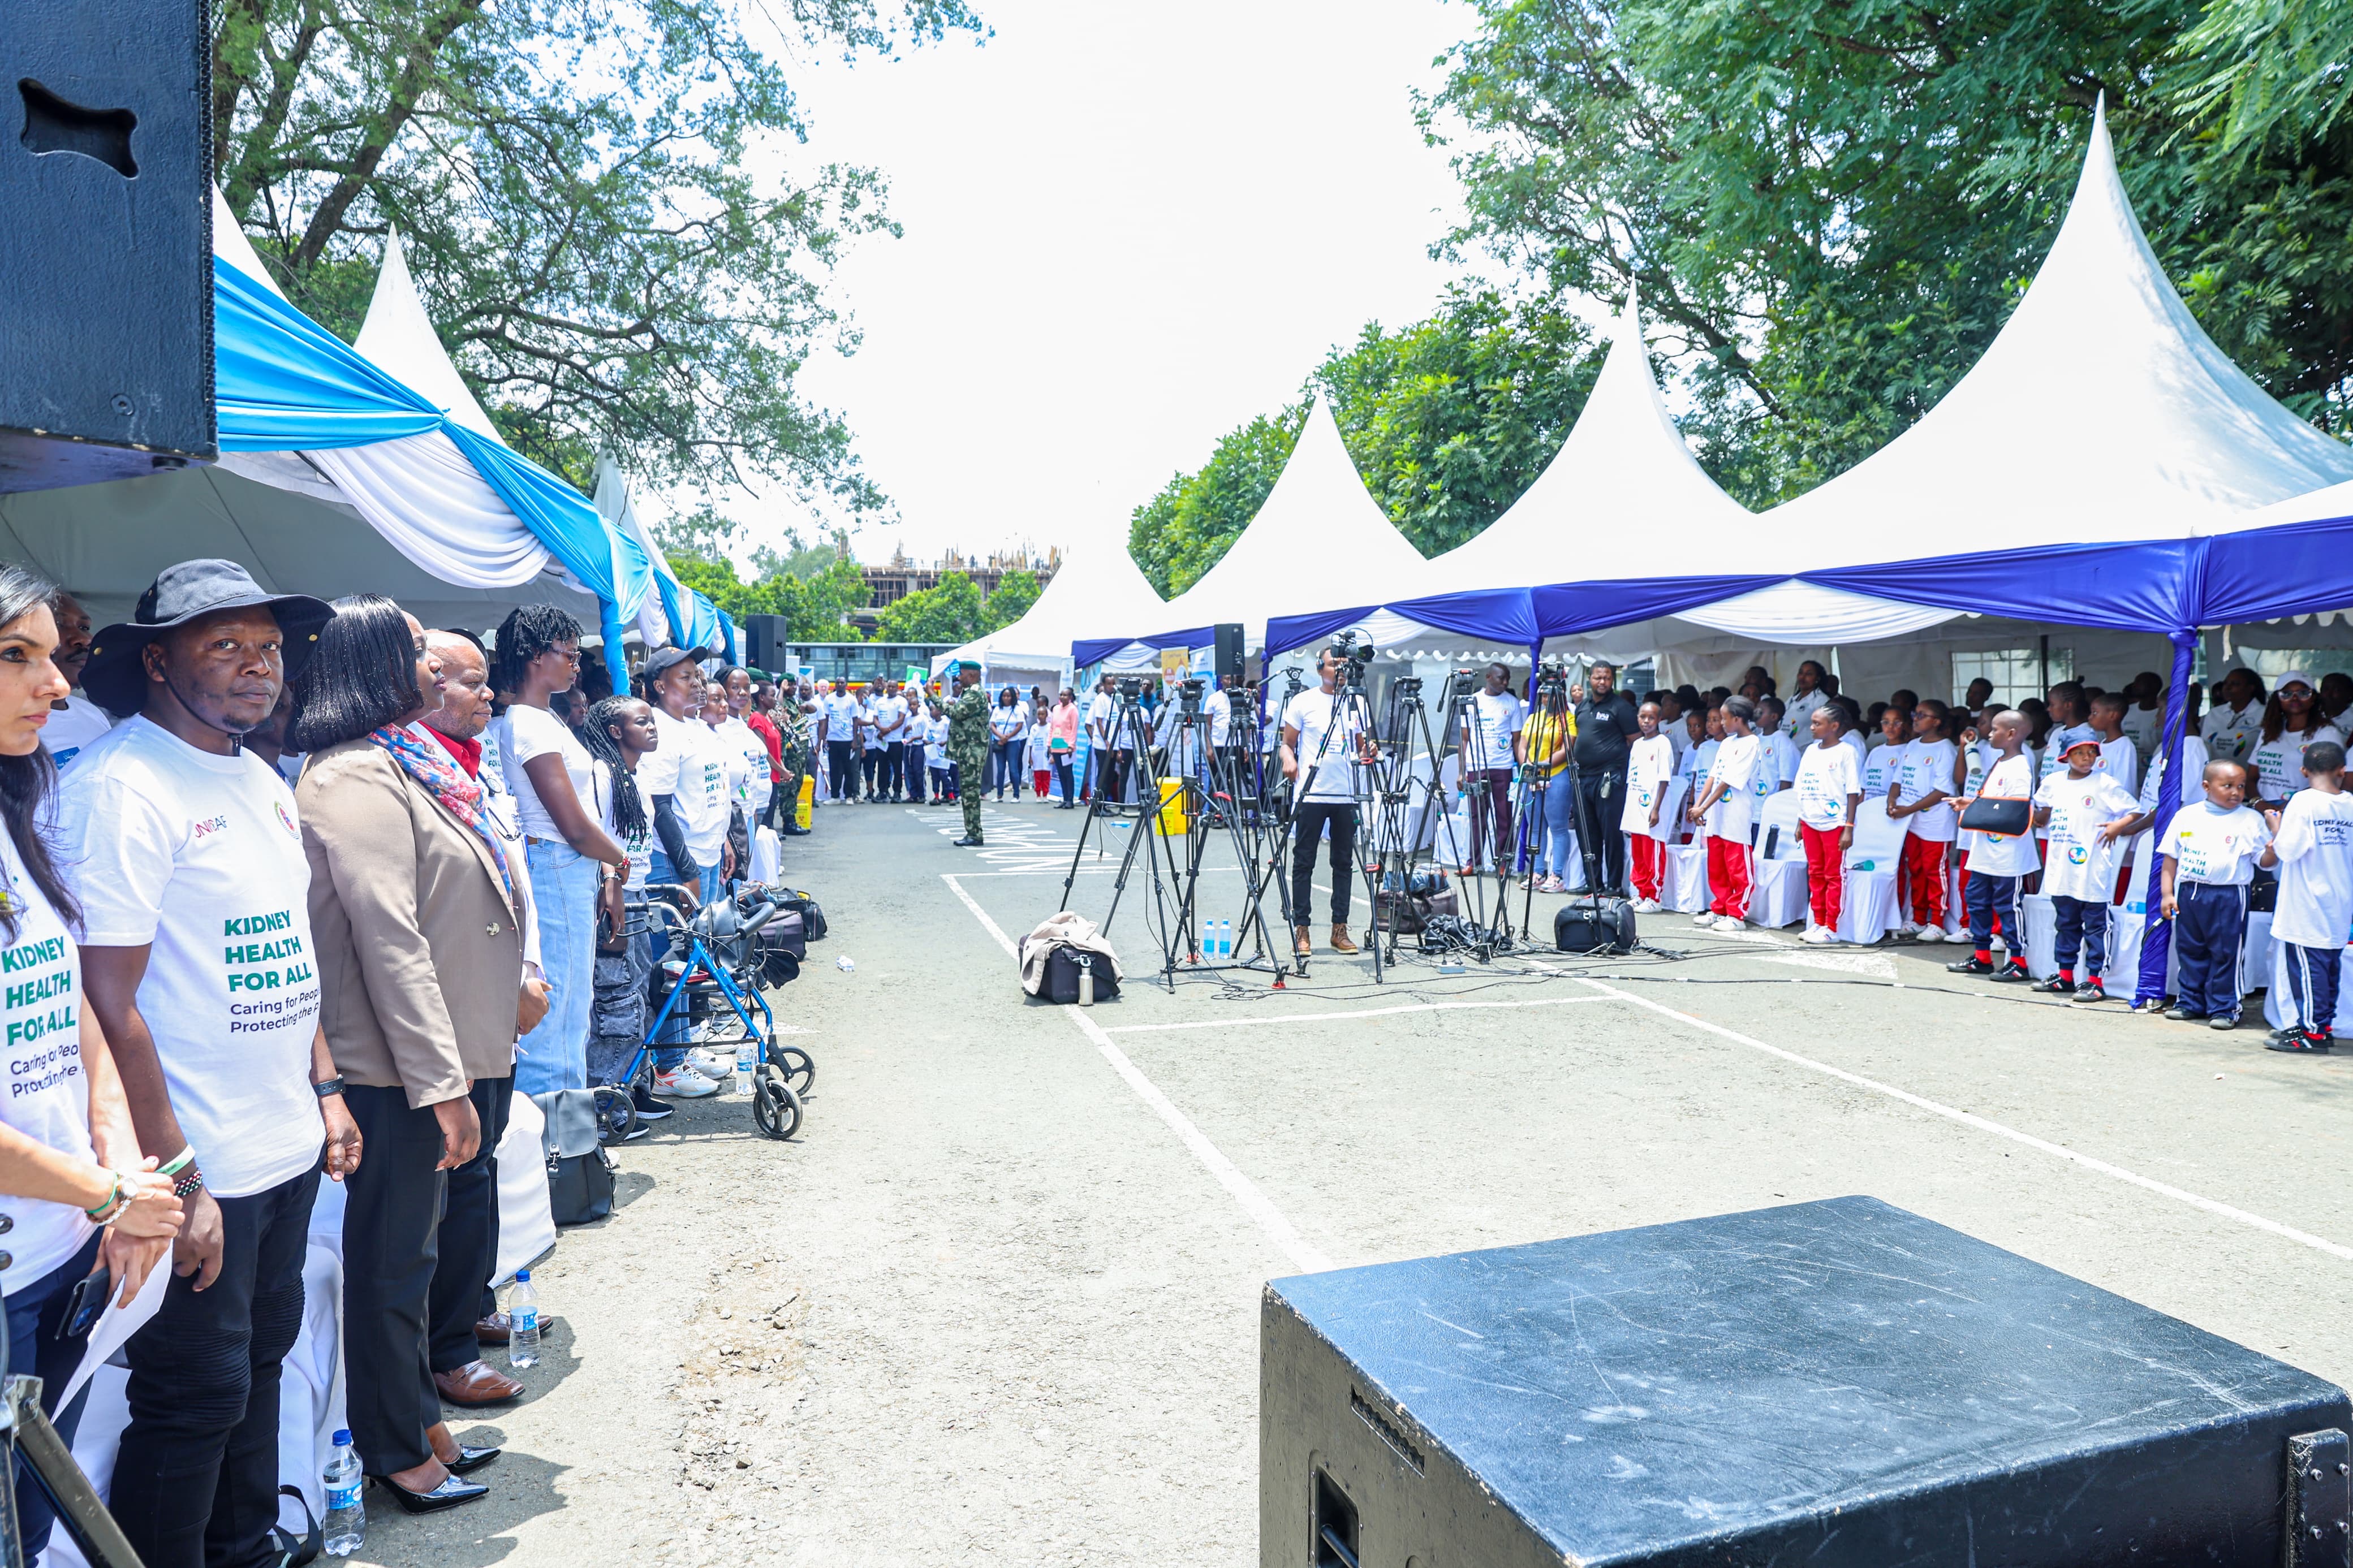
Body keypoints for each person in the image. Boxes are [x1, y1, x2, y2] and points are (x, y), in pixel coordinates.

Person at [60, 559, 361, 1568]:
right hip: (198, 1160)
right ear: (156, 662)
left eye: (268, 648)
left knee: (259, 1364)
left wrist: (324, 1088)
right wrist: (177, 1175)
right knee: (191, 1397)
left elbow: (288, 949)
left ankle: (246, 1547)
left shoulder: (258, 775)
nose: (257, 666)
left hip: (281, 1142)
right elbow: (106, 1003)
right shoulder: (122, 787)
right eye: (224, 645)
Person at [292, 595, 535, 1510]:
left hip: (420, 1059)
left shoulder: (397, 761)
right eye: (417, 653)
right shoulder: (354, 775)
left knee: (414, 1260)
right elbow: (390, 937)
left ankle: (418, 1419)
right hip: (389, 1067)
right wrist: (443, 1084)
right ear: (370, 665)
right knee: (393, 1264)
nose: (433, 667)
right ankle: (395, 1446)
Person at [0, 566, 182, 1563]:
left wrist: (120, 1173)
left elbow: (72, 1008)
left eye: (52, 656)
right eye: (15, 656)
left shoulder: (17, 811)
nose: (57, 684)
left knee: (32, 1526)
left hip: (65, 1249)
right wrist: (113, 1191)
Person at [488, 607, 627, 1097]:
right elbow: (572, 824)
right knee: (557, 1014)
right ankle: (552, 1133)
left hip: (565, 865)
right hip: (555, 862)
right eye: (567, 653)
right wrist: (619, 861)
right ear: (533, 656)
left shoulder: (545, 718)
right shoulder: (529, 723)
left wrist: (606, 868)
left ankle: (560, 1127)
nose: (575, 663)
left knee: (569, 1009)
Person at [632, 648, 731, 1098]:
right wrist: (686, 868)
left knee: (693, 957)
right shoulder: (660, 730)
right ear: (659, 686)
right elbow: (661, 806)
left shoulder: (694, 726)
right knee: (670, 964)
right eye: (686, 676)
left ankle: (685, 1047)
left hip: (705, 855)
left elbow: (713, 792)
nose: (697, 683)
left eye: (698, 675)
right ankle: (669, 1065)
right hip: (673, 861)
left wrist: (723, 840)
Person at [581, 694, 659, 1096]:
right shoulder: (602, 773)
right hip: (614, 900)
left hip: (639, 893)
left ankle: (635, 1088)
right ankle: (607, 1099)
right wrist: (611, 882)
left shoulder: (637, 774)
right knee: (616, 1001)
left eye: (652, 720)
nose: (652, 727)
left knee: (639, 992)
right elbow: (593, 833)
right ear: (615, 731)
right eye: (641, 721)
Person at [2159, 760, 2271, 1028]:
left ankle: (2224, 1008)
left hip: (2229, 894)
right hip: (2190, 892)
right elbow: (2171, 858)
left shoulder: (2251, 820)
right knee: (2190, 949)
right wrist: (2167, 894)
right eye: (2228, 786)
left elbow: (2265, 862)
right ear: (2207, 787)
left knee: (2226, 952)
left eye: (2241, 786)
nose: (2236, 792)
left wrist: (2272, 849)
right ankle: (2190, 1002)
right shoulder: (2187, 815)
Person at [2030, 735, 2138, 1003]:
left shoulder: (2105, 783)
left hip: (2092, 870)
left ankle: (2095, 981)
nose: (2087, 758)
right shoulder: (2054, 782)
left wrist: (2117, 826)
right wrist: (2038, 817)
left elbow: (2135, 810)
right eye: (2080, 753)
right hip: (2061, 868)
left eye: (2092, 752)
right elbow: (2042, 807)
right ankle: (2065, 975)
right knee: (2065, 924)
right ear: (2065, 757)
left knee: (2095, 927)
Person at [2262, 741, 2353, 1052]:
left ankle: (2311, 1034)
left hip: (2306, 904)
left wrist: (2276, 827)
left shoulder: (2303, 802)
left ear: (2304, 771)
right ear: (2342, 770)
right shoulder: (2350, 804)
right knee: (2328, 969)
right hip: (2339, 900)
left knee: (2308, 971)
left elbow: (2289, 851)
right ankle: (2320, 1025)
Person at [1281, 647, 1372, 956]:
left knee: (1343, 863)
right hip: (1312, 793)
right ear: (1321, 668)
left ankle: (1339, 929)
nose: (1341, 669)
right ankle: (1302, 929)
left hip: (1346, 794)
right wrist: (1289, 760)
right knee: (1304, 861)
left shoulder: (1357, 702)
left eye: (1345, 664)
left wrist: (1369, 752)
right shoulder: (1303, 701)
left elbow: (1361, 748)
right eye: (1335, 664)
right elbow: (1286, 744)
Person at [1945, 710, 2038, 980]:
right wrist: (1971, 804)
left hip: (2008, 854)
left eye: (1996, 730)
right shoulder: (2000, 761)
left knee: (2009, 907)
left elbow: (2013, 811)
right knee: (1977, 902)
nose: (1989, 734)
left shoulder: (2020, 766)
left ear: (2011, 734)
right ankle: (1982, 956)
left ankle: (2018, 962)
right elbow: (1995, 802)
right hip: (1985, 851)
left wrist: (1977, 809)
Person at [1686, 696, 1761, 931]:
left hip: (1736, 812)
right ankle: (1719, 909)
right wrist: (1698, 805)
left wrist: (1703, 807)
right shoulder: (1727, 743)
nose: (1722, 724)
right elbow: (1712, 776)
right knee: (1717, 864)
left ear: (1738, 719)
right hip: (1717, 812)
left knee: (1737, 864)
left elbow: (1728, 781)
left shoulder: (1752, 744)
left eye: (1725, 719)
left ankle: (1737, 914)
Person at [1791, 701, 1861, 944]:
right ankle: (1819, 922)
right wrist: (1800, 822)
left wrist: (1849, 827)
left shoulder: (1847, 752)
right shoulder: (1811, 751)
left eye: (1817, 724)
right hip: (1810, 821)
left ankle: (1832, 926)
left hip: (1835, 824)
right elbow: (1803, 788)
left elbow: (1853, 792)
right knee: (1815, 873)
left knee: (1834, 875)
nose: (1812, 728)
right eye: (1812, 723)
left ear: (1834, 726)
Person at [1887, 699, 1957, 941]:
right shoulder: (1912, 745)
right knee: (1915, 869)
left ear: (1936, 722)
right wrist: (1892, 800)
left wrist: (1909, 809)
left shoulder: (1945, 749)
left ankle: (1937, 922)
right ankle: (1918, 918)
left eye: (1922, 715)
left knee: (1934, 871)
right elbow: (1898, 779)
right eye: (1915, 714)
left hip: (1935, 822)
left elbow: (1943, 791)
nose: (1915, 719)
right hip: (1911, 822)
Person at [1568, 663, 1637, 892]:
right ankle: (1593, 883)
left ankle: (1614, 886)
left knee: (1611, 833)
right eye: (1598, 677)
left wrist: (1620, 767)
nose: (1603, 682)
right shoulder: (1582, 706)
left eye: (1607, 678)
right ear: (1590, 679)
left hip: (1609, 778)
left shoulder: (1621, 707)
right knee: (1587, 833)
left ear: (1612, 681)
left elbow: (1635, 741)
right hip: (1583, 777)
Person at [37, 588, 113, 769]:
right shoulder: (11, 727)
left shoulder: (91, 713)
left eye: (84, 628)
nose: (84, 639)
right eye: (58, 624)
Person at [2246, 671, 2345, 809]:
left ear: (2313, 698)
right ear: (2277, 699)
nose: (2294, 698)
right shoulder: (2269, 731)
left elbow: (2330, 779)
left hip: (2303, 809)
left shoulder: (2327, 733)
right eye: (2286, 694)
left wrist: (2289, 807)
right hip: (2261, 808)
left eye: (2303, 693)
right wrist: (2259, 803)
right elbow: (2251, 778)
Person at [1460, 663, 1524, 872]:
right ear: (1488, 677)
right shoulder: (1472, 701)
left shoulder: (1512, 703)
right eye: (1500, 678)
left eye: (1507, 679)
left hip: (1502, 766)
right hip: (1476, 766)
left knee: (1504, 815)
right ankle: (1474, 862)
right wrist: (1462, 771)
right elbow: (1464, 739)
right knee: (1477, 816)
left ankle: (1503, 862)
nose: (1505, 683)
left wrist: (1522, 768)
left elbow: (1517, 740)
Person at [1622, 701, 1675, 912]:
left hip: (1652, 807)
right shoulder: (1637, 744)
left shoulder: (1663, 743)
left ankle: (1654, 897)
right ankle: (1642, 892)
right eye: (1642, 717)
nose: (1646, 721)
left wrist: (1656, 808)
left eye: (1651, 718)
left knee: (1653, 851)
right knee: (1639, 853)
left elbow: (1664, 779)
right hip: (1635, 806)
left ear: (1659, 720)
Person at [1520, 684, 1574, 894]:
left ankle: (1557, 875)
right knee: (1535, 826)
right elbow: (1522, 745)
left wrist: (1542, 765)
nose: (1547, 700)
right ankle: (1537, 872)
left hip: (1556, 774)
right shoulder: (1534, 718)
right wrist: (1529, 765)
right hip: (1532, 775)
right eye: (1544, 696)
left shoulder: (1568, 719)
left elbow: (1567, 747)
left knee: (1558, 827)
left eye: (1552, 696)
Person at [948, 663, 989, 847]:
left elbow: (956, 713)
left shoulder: (974, 693)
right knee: (968, 793)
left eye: (962, 674)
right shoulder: (971, 692)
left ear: (972, 675)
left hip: (972, 752)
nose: (959, 678)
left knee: (970, 794)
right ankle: (972, 832)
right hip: (968, 751)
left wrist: (932, 695)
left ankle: (975, 834)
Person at [2200, 668, 2265, 763]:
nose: (2227, 688)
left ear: (2251, 688)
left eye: (2235, 684)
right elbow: (2204, 746)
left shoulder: (2265, 714)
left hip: (2248, 771)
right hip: (2214, 770)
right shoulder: (2214, 713)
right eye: (2226, 683)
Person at [2087, 690, 2140, 797]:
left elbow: (2125, 786)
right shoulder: (2103, 743)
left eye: (2095, 713)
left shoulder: (2124, 746)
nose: (2090, 717)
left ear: (2113, 715)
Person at [988, 685, 1027, 801]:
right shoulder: (997, 709)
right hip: (999, 741)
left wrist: (1008, 737)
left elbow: (1019, 725)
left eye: (1009, 696)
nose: (1006, 698)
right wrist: (1001, 737)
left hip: (1013, 742)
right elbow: (992, 725)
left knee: (1013, 768)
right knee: (1000, 769)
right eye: (1004, 696)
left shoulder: (1017, 710)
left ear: (1013, 697)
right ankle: (999, 795)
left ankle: (1016, 795)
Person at [1048, 689, 1079, 807]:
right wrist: (1049, 744)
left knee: (1068, 774)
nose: (1063, 697)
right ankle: (1065, 799)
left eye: (1066, 695)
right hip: (1056, 746)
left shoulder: (1073, 710)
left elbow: (1074, 729)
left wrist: (1071, 746)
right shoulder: (1056, 709)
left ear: (1070, 697)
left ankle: (1070, 800)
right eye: (1061, 695)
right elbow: (1052, 727)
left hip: (1067, 748)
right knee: (1061, 774)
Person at [1782, 660, 1829, 737]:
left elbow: (1824, 729)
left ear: (1818, 678)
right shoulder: (1792, 699)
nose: (1802, 678)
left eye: (1809, 674)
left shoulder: (1821, 700)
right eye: (1801, 673)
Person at [1026, 706, 1051, 800]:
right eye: (1039, 714)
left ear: (1047, 715)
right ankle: (1038, 794)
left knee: (1046, 775)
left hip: (1046, 755)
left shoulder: (1050, 727)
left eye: (1043, 714)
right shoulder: (1034, 728)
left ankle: (1045, 794)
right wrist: (1030, 757)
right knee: (1037, 775)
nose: (1041, 716)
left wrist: (1052, 755)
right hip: (1036, 754)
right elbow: (1030, 743)